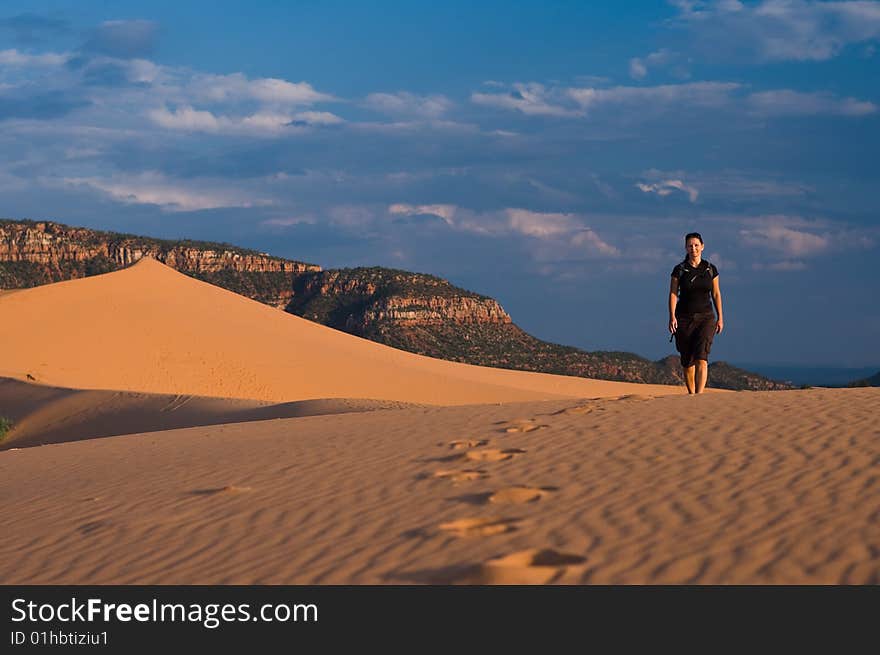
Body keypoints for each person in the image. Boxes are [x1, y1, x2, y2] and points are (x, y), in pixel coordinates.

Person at [668, 232, 724, 394]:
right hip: (684, 319)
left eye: (696, 245)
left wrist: (720, 317)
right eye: (690, 245)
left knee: (702, 358)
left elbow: (716, 293)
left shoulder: (710, 269)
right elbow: (672, 294)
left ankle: (699, 397)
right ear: (685, 248)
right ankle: (691, 395)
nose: (693, 248)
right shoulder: (679, 270)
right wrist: (672, 316)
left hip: (706, 318)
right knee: (687, 362)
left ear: (702, 246)